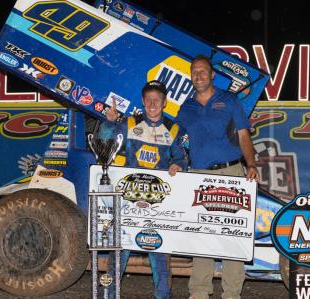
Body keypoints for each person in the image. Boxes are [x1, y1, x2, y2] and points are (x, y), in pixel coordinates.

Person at [175, 55, 260, 299]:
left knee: (232, 235)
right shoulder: (187, 107)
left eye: (203, 71)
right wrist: (176, 162)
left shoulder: (229, 99)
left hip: (232, 172)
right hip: (199, 175)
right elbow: (176, 140)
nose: (198, 76)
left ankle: (232, 293)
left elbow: (243, 134)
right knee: (202, 235)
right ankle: (199, 292)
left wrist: (251, 163)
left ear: (212, 75)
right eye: (194, 72)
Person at [106, 80, 188, 299]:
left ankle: (162, 295)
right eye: (148, 99)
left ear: (164, 103)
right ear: (143, 101)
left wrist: (178, 165)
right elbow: (106, 145)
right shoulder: (130, 123)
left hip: (158, 200)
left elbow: (183, 157)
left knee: (159, 251)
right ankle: (109, 294)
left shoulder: (174, 129)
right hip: (128, 197)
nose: (152, 104)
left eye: (157, 100)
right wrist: (111, 123)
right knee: (120, 248)